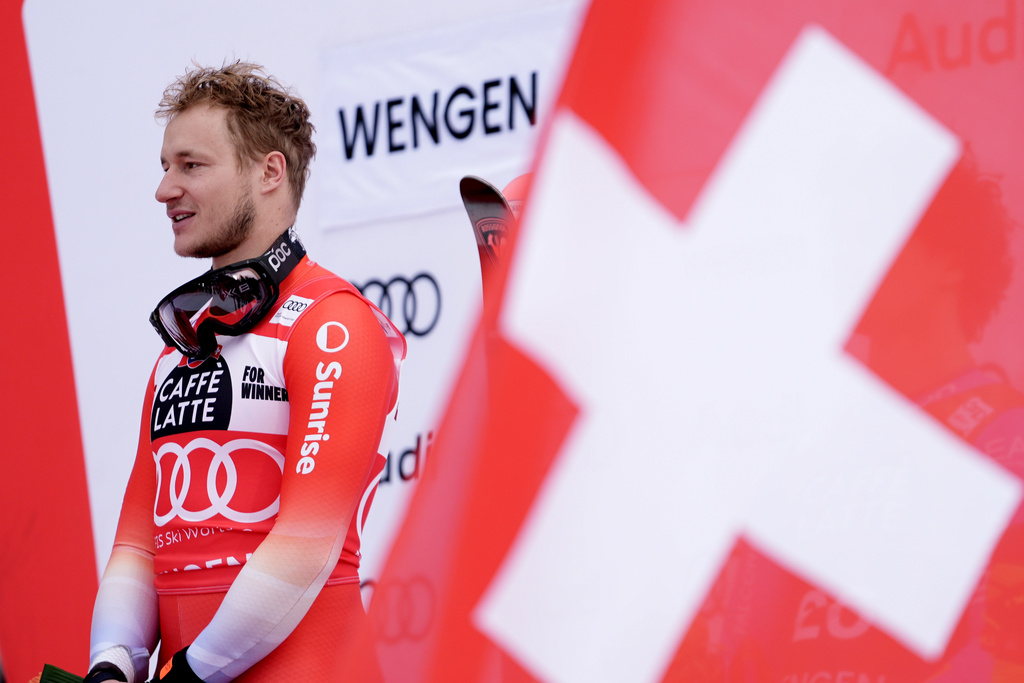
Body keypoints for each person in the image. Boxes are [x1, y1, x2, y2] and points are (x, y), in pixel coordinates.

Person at [83, 62, 406, 683]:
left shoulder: (331, 321)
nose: (164, 189)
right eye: (165, 166)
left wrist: (192, 672)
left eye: (191, 165)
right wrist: (112, 662)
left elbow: (307, 546)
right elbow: (137, 544)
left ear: (269, 172)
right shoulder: (183, 342)